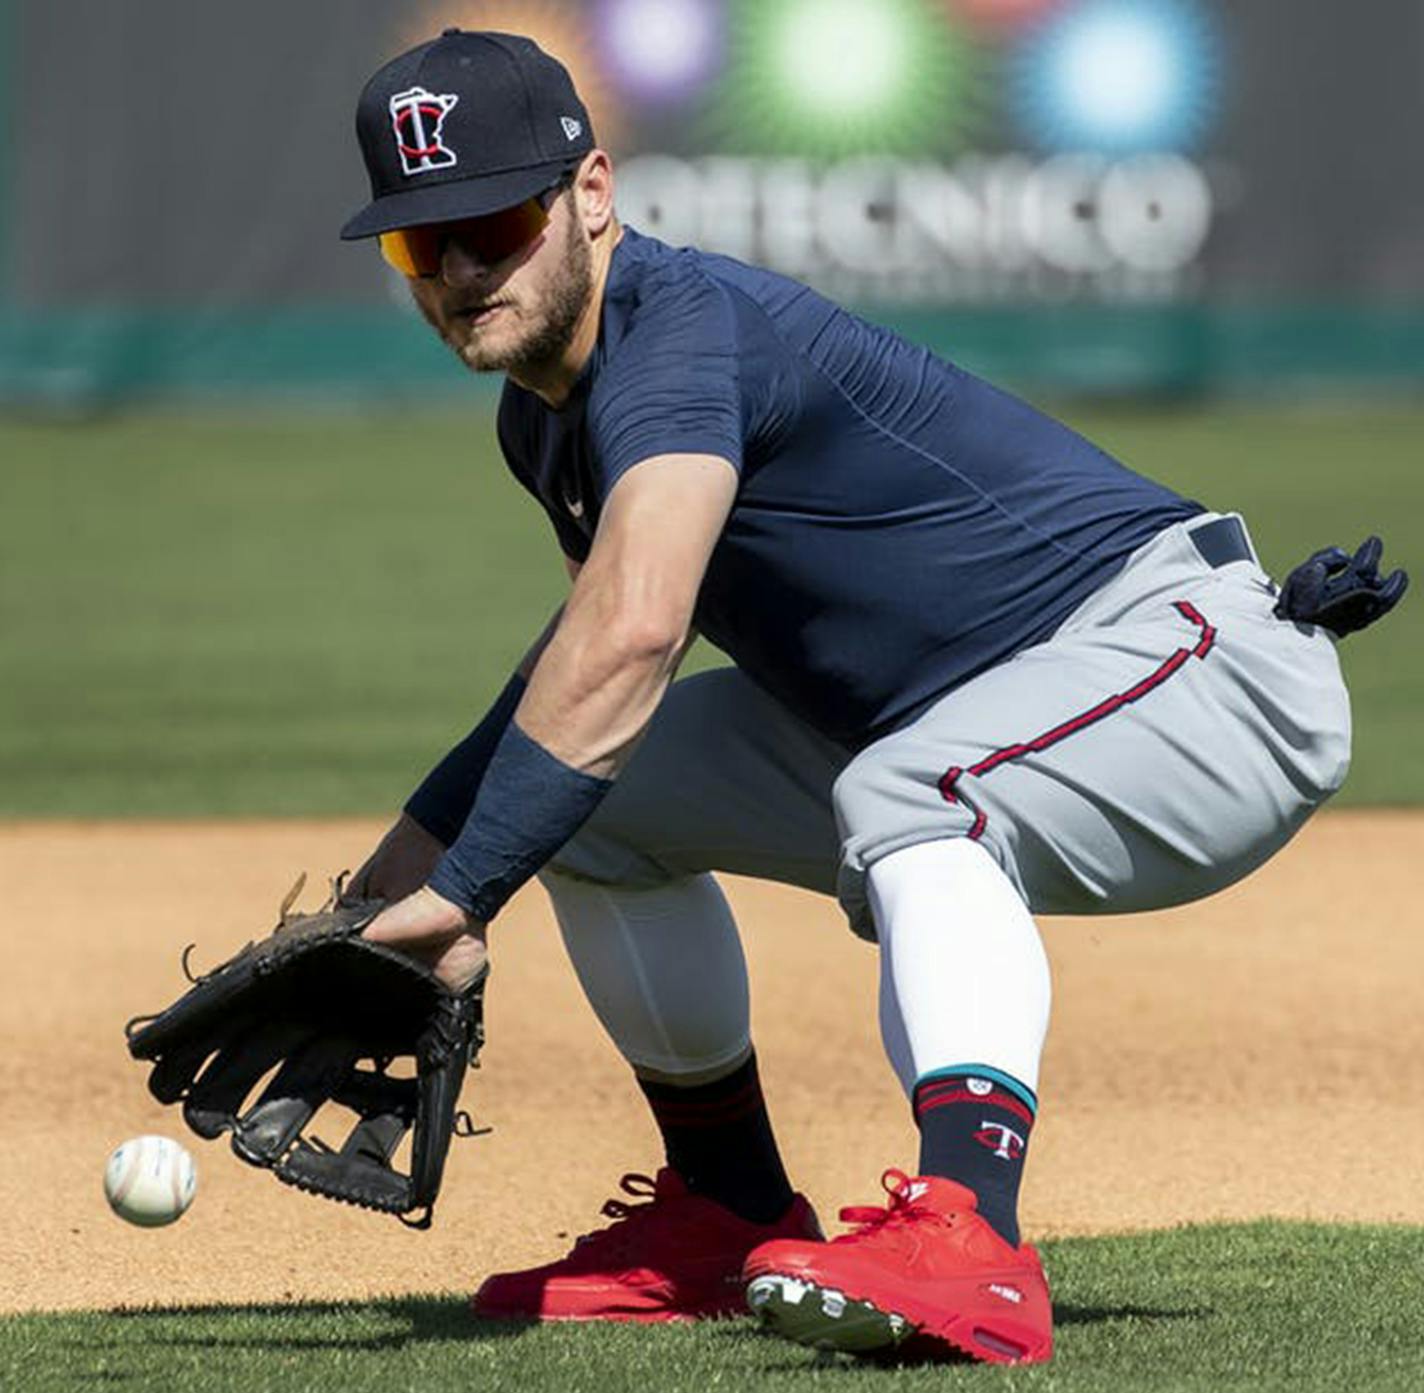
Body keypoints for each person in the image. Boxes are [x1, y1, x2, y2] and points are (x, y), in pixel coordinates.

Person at [337, 29, 1404, 1365]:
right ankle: (721, 1206)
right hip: (969, 706)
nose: (457, 272)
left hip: (1192, 669)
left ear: (592, 195)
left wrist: (466, 894)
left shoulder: (682, 336)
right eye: (415, 247)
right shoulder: (545, 417)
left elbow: (636, 632)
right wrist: (373, 899)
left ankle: (971, 1231)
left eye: (489, 222)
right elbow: (578, 671)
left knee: (908, 787)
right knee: (596, 806)